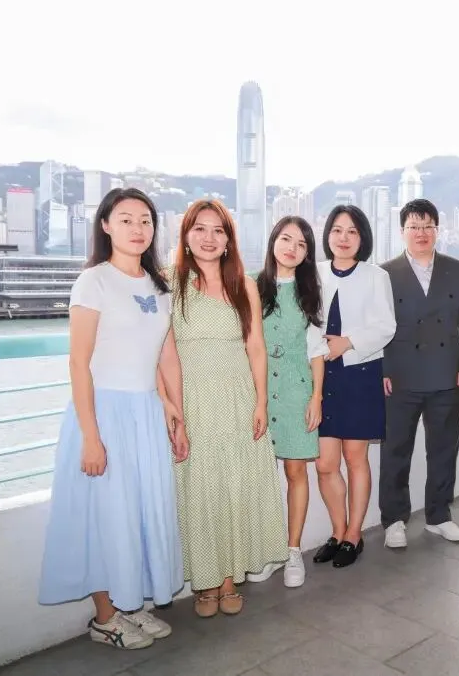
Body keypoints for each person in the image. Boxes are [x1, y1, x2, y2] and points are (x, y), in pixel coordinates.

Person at [38, 187, 187, 650]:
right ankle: (105, 618)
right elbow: (78, 363)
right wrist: (91, 436)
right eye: (125, 219)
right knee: (104, 515)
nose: (137, 228)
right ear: (105, 225)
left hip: (145, 412)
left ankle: (129, 603)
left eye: (145, 220)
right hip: (104, 413)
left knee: (138, 512)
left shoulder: (158, 286)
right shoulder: (94, 281)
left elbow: (165, 357)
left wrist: (177, 412)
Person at [163, 199, 288, 618]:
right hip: (193, 399)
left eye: (218, 230)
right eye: (200, 228)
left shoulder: (243, 284)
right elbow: (160, 352)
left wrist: (261, 400)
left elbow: (256, 347)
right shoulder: (169, 283)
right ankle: (206, 582)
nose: (209, 238)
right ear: (185, 235)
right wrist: (172, 406)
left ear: (229, 240)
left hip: (238, 397)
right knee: (200, 490)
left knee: (236, 486)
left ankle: (231, 578)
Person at [380, 198, 459, 548]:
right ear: (402, 231)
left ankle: (439, 516)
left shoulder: (457, 269)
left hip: (448, 375)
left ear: (438, 230)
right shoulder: (385, 273)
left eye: (427, 226)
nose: (421, 233)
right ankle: (394, 520)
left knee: (443, 449)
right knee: (395, 451)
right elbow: (377, 327)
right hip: (400, 376)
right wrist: (382, 369)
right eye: (414, 227)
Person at [311, 205, 397, 567]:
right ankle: (337, 531)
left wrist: (347, 343)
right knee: (325, 463)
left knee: (355, 458)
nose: (343, 238)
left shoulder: (376, 276)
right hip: (320, 375)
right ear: (327, 235)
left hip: (359, 373)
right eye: (337, 230)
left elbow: (386, 326)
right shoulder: (313, 273)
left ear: (363, 238)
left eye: (352, 231)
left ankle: (353, 535)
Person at [255, 216, 327, 588]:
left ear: (307, 254)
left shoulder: (309, 292)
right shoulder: (251, 285)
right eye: (286, 239)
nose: (292, 249)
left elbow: (316, 351)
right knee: (260, 476)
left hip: (297, 392)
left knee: (296, 472)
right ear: (273, 242)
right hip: (257, 393)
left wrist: (316, 397)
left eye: (301, 244)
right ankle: (267, 551)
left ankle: (293, 549)